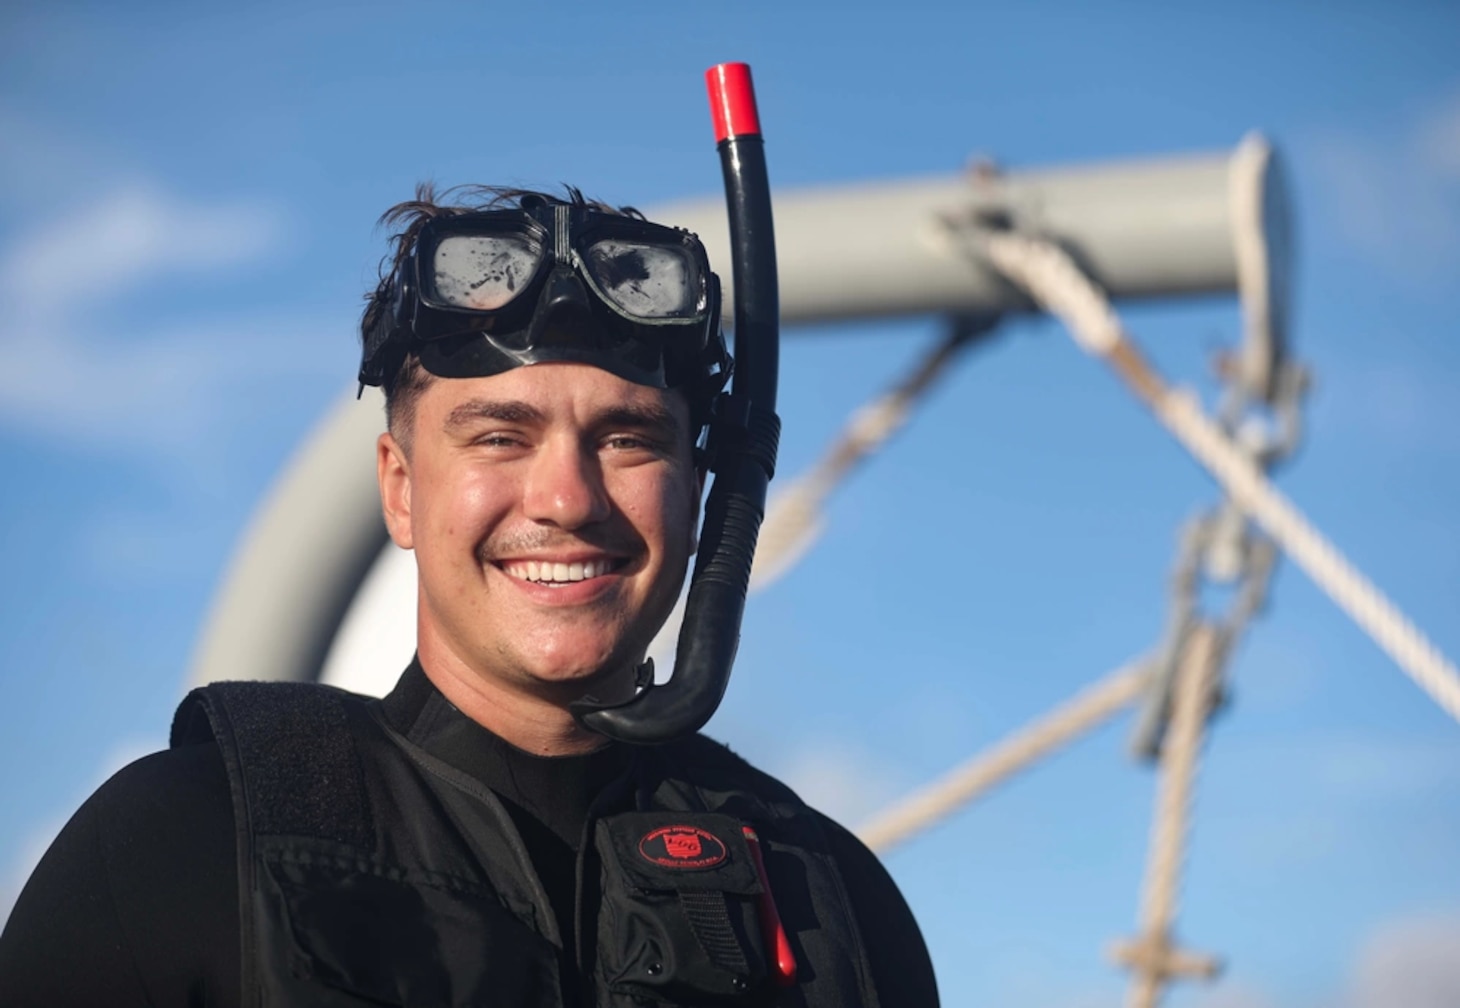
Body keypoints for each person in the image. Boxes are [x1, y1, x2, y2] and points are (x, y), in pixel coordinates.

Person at [0, 186, 939, 1007]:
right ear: (401, 490)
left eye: (628, 439)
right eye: (500, 437)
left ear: (701, 494)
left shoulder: (830, 901)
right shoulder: (185, 844)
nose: (567, 499)